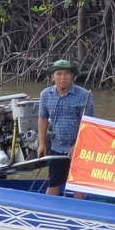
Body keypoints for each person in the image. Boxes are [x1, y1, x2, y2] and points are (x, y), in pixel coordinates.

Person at [38, 59, 94, 197]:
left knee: (78, 185)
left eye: (66, 74)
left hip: (79, 147)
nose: (63, 77)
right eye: (59, 74)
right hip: (57, 146)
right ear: (52, 77)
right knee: (53, 183)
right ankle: (48, 213)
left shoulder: (84, 95)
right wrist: (42, 143)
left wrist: (77, 144)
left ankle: (78, 212)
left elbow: (88, 124)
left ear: (72, 76)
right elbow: (42, 118)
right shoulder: (45, 95)